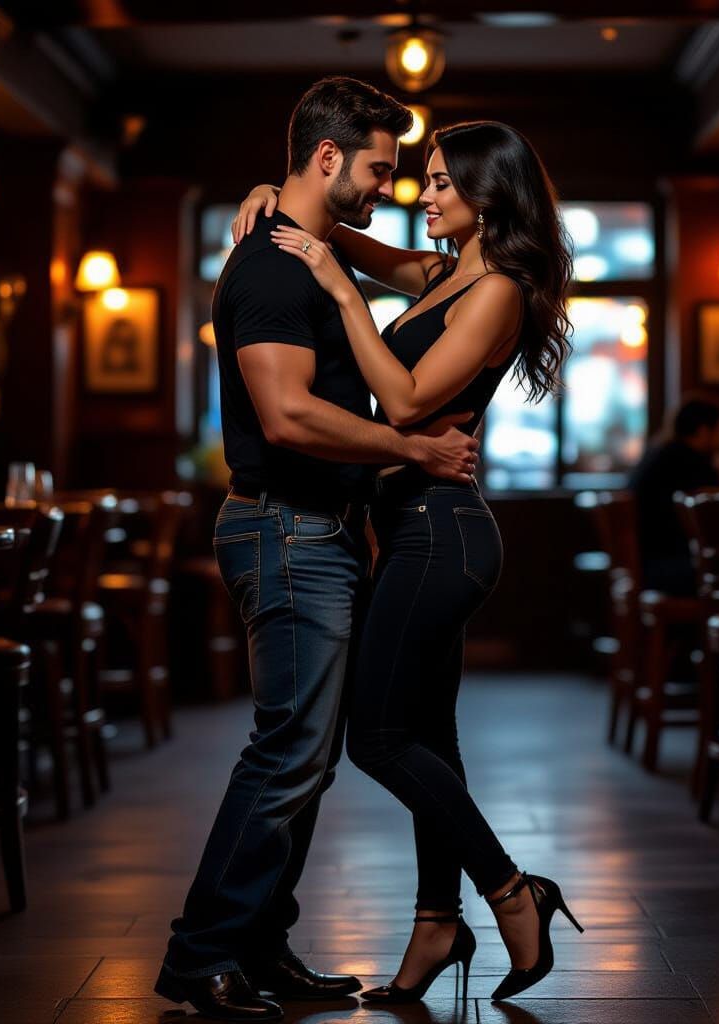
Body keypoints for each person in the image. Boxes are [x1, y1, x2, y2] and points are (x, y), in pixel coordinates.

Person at [233, 119, 583, 1003]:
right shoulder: (438, 276)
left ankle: (512, 891)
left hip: (444, 534)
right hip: (409, 528)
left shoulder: (496, 290)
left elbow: (407, 400)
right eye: (418, 180)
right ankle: (435, 924)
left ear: (485, 195)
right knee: (430, 738)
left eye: (437, 183)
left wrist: (344, 300)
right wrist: (273, 198)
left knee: (378, 739)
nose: (420, 197)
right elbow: (338, 231)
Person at [155, 77, 481, 1023]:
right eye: (381, 169)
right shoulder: (268, 269)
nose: (390, 187)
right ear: (330, 158)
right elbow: (288, 416)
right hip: (285, 531)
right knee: (288, 753)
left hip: (321, 532)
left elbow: (426, 274)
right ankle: (201, 955)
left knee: (305, 756)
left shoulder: (314, 249)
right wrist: (410, 446)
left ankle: (258, 943)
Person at [627, 396, 719, 595]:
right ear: (703, 431)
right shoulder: (693, 464)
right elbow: (718, 520)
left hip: (648, 564)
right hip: (671, 566)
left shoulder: (660, 454)